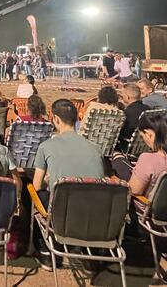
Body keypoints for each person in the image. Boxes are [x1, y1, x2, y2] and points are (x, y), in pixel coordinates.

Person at [31, 99, 105, 269]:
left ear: (55, 119)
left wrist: (49, 180)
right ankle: (90, 253)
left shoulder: (46, 146)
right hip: (93, 216)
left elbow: (36, 186)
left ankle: (46, 252)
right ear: (76, 119)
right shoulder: (95, 148)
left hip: (62, 215)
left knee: (34, 193)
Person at [113, 111, 167, 196]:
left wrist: (118, 182)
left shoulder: (147, 159)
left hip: (147, 206)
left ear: (149, 134)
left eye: (142, 137)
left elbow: (134, 191)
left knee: (118, 162)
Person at [118, 83, 147, 150]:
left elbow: (123, 132)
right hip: (145, 145)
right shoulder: (147, 108)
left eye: (122, 94)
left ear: (128, 97)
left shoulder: (127, 113)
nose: (121, 96)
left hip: (128, 147)